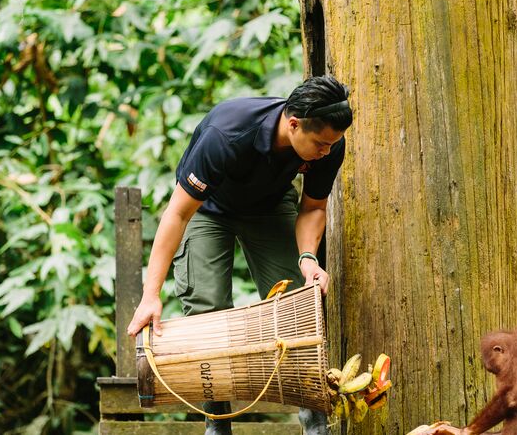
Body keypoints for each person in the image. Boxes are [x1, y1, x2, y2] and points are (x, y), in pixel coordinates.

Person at [126, 75, 353, 434]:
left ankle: (315, 426)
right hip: (207, 208)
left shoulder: (328, 143)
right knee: (206, 305)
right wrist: (150, 295)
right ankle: (217, 425)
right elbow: (178, 213)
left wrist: (307, 258)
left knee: (296, 306)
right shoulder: (227, 134)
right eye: (321, 144)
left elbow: (313, 208)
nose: (327, 151)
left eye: (332, 144)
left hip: (269, 205)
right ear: (293, 124)